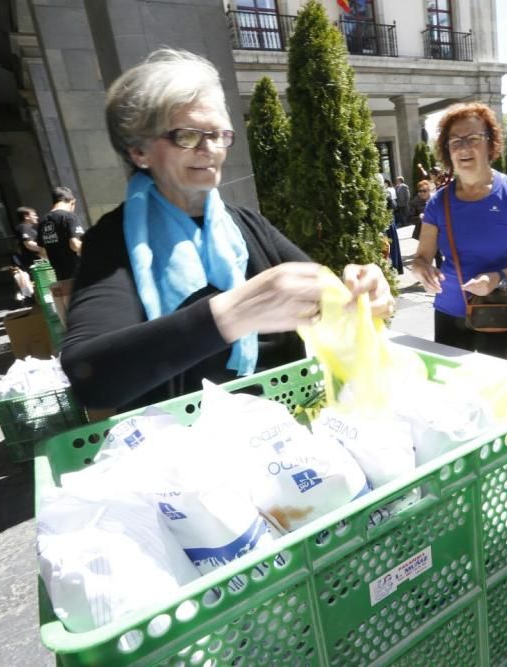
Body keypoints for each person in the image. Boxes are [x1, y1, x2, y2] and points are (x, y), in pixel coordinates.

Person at [60, 49, 392, 411]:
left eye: (219, 134)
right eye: (187, 136)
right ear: (139, 151)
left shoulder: (248, 224)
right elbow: (90, 379)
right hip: (185, 445)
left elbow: (327, 300)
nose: (210, 150)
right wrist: (236, 312)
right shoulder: (111, 242)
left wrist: (364, 293)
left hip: (289, 429)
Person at [411, 102, 507, 361]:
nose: (463, 147)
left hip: (499, 310)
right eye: (455, 142)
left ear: (490, 143)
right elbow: (420, 259)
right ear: (447, 151)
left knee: (495, 393)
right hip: (449, 309)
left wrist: (498, 279)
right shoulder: (438, 201)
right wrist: (422, 272)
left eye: (472, 138)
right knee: (453, 390)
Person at [36, 186, 85, 280]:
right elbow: (75, 245)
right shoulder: (69, 216)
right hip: (77, 273)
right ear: (72, 202)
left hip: (59, 275)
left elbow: (42, 252)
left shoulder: (42, 222)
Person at [13, 206, 45, 271]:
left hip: (38, 261)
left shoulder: (29, 229)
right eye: (34, 215)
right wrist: (46, 249)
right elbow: (29, 244)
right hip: (33, 262)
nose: (37, 217)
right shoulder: (23, 227)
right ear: (26, 216)